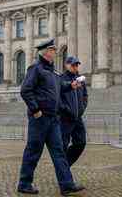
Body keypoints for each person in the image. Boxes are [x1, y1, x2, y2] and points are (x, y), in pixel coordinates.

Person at [17, 39, 84, 196]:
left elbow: (59, 88)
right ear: (46, 52)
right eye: (53, 49)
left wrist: (71, 86)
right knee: (33, 151)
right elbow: (26, 90)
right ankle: (24, 183)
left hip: (53, 119)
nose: (55, 51)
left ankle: (66, 184)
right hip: (40, 119)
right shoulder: (35, 69)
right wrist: (35, 110)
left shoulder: (54, 73)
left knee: (59, 151)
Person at [60, 56, 88, 167]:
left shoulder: (80, 79)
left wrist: (82, 108)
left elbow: (85, 96)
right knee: (63, 146)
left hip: (77, 117)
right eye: (73, 65)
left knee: (81, 142)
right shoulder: (61, 79)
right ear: (66, 65)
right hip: (65, 118)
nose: (75, 67)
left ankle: (65, 165)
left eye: (77, 65)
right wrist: (65, 110)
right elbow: (58, 99)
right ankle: (63, 172)